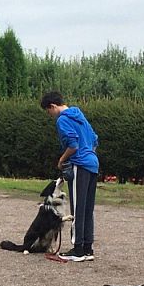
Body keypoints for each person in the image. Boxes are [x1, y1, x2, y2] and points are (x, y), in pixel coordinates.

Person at [40, 91, 99, 261]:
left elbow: (72, 145)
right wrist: (89, 154)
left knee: (78, 208)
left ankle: (78, 249)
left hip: (79, 165)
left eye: (48, 111)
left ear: (52, 106)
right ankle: (88, 248)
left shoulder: (63, 119)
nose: (49, 115)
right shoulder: (79, 115)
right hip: (93, 164)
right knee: (87, 208)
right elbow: (95, 139)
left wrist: (62, 160)